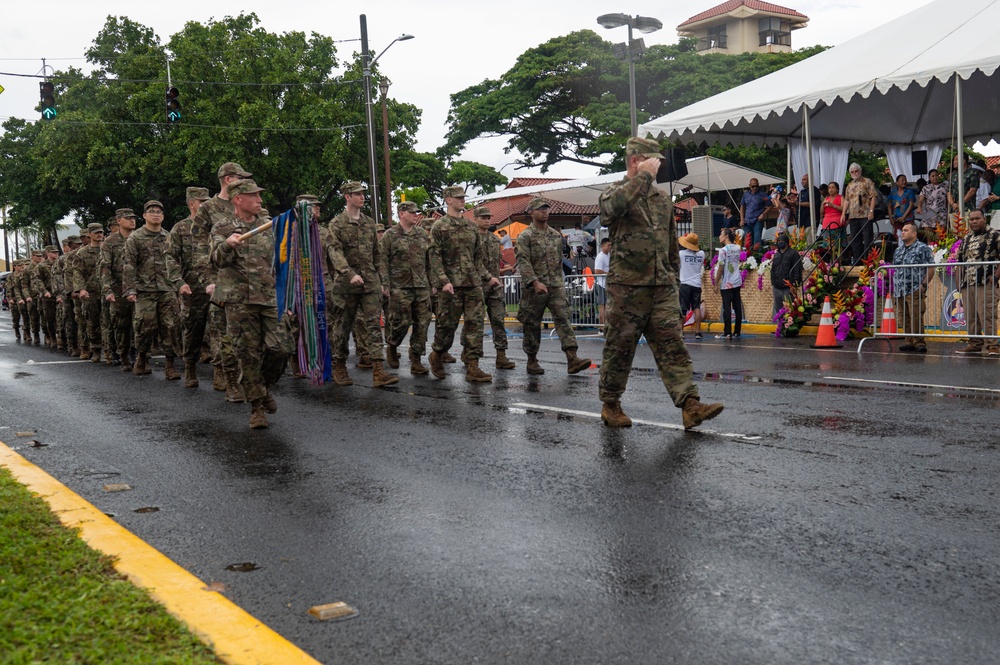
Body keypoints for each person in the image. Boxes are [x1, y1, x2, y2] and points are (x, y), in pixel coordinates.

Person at [597, 137, 723, 430]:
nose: (658, 166)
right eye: (652, 160)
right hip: (627, 287)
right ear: (634, 160)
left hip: (661, 286)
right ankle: (611, 404)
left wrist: (673, 279)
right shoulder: (615, 192)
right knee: (620, 347)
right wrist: (643, 176)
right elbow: (610, 211)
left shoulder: (661, 199)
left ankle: (690, 405)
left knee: (673, 345)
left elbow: (670, 245)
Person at [211, 179, 291, 429]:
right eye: (254, 196)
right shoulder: (223, 227)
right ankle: (257, 407)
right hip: (239, 301)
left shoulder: (270, 226)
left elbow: (283, 261)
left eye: (259, 196)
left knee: (281, 347)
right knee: (247, 354)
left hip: (269, 298)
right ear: (238, 199)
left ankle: (263, 386)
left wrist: (287, 296)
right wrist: (227, 245)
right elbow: (215, 259)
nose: (260, 200)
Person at [322, 181, 397, 388]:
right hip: (347, 284)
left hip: (370, 282)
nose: (362, 197)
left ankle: (378, 370)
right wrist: (348, 273)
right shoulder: (337, 224)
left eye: (363, 193)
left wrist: (382, 281)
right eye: (357, 194)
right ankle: (339, 365)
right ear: (347, 196)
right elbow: (334, 252)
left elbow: (377, 255)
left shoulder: (368, 223)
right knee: (343, 326)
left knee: (373, 324)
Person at [191, 162, 255, 401]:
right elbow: (198, 248)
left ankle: (248, 379)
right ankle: (229, 380)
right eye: (241, 177)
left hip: (250, 279)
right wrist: (207, 280)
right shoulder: (209, 209)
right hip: (221, 280)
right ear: (229, 180)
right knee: (224, 335)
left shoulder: (250, 202)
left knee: (249, 336)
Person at [428, 185, 498, 382]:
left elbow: (477, 259)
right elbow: (434, 258)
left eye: (463, 197)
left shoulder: (470, 227)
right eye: (458, 197)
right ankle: (437, 354)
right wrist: (443, 281)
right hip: (450, 286)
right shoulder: (439, 226)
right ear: (448, 200)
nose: (462, 200)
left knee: (475, 325)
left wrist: (487, 277)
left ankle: (473, 365)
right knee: (446, 327)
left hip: (472, 284)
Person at [514, 197, 592, 376]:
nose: (545, 212)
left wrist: (561, 282)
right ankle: (532, 360)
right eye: (540, 209)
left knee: (563, 319)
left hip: (555, 285)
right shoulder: (525, 236)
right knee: (532, 324)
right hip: (535, 287)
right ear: (532, 213)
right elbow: (523, 262)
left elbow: (558, 260)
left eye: (546, 209)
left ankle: (572, 358)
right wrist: (534, 282)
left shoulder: (556, 236)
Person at [124, 200, 189, 379]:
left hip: (167, 289)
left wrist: (179, 285)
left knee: (171, 327)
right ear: (144, 215)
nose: (156, 214)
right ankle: (142, 357)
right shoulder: (135, 237)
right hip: (144, 290)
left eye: (159, 211)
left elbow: (177, 262)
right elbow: (129, 265)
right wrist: (130, 290)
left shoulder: (169, 237)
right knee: (145, 326)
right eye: (151, 211)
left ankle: (170, 365)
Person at [380, 201, 433, 376]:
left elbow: (429, 261)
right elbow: (382, 261)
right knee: (401, 322)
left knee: (422, 323)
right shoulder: (390, 235)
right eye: (412, 212)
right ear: (401, 213)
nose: (415, 215)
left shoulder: (421, 235)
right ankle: (392, 345)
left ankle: (416, 358)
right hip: (399, 286)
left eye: (416, 212)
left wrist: (433, 283)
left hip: (421, 285)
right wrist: (385, 284)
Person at [170, 187, 213, 386]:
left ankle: (221, 373)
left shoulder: (217, 226)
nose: (206, 204)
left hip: (215, 286)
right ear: (191, 204)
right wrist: (179, 282)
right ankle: (190, 367)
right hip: (192, 288)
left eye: (207, 201)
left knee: (220, 331)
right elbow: (170, 257)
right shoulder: (180, 228)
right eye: (201, 201)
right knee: (193, 330)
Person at [473, 205, 515, 370]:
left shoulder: (494, 240)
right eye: (483, 217)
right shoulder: (472, 238)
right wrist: (488, 278)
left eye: (488, 217)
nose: (486, 220)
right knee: (475, 322)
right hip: (477, 285)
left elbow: (496, 263)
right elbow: (473, 263)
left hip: (494, 286)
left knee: (498, 319)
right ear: (475, 219)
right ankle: (470, 354)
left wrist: (497, 278)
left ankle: (501, 356)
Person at [954, 208, 1000, 356]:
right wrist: (958, 283)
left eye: (977, 218)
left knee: (986, 313)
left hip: (986, 282)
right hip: (968, 283)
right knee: (971, 315)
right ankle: (974, 343)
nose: (974, 221)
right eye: (971, 219)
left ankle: (992, 345)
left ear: (984, 219)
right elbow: (959, 262)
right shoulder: (966, 238)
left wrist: (996, 276)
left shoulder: (995, 235)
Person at [101, 208, 138, 370]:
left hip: (139, 288)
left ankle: (137, 354)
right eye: (128, 218)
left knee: (140, 324)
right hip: (118, 289)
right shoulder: (110, 242)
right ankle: (123, 354)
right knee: (121, 325)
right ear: (118, 221)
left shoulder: (139, 238)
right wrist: (107, 290)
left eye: (133, 218)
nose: (132, 220)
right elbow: (104, 268)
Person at [891, 221, 935, 353]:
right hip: (900, 289)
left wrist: (924, 284)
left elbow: (931, 267)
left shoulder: (922, 248)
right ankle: (909, 340)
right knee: (903, 316)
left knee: (916, 314)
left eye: (906, 230)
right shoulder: (898, 250)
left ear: (914, 233)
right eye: (902, 230)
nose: (902, 232)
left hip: (914, 287)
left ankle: (919, 341)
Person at [73, 224, 106, 360]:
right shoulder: (82, 253)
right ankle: (95, 348)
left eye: (101, 232)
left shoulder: (107, 249)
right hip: (90, 293)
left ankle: (109, 350)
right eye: (96, 233)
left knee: (108, 322)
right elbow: (77, 272)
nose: (99, 235)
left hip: (107, 290)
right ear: (89, 235)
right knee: (92, 322)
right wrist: (81, 289)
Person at [841, 163, 878, 263]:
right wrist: (843, 214)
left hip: (865, 214)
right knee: (855, 240)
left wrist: (871, 211)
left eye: (856, 171)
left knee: (867, 239)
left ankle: (868, 261)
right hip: (853, 216)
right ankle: (858, 261)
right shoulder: (849, 185)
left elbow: (873, 196)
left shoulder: (867, 181)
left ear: (860, 171)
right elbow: (846, 200)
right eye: (852, 172)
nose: (854, 173)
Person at [714, 227, 744, 340]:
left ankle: (727, 332)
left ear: (726, 236)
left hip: (727, 282)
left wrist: (716, 283)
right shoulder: (737, 247)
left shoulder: (723, 251)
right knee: (737, 307)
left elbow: (721, 267)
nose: (719, 236)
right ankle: (737, 331)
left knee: (727, 308)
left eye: (721, 234)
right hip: (737, 280)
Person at [31, 245, 60, 348]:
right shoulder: (41, 266)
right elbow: (38, 280)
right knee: (50, 318)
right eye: (53, 252)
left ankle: (62, 337)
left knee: (62, 318)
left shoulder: (60, 264)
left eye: (57, 252)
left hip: (60, 295)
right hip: (48, 296)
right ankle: (52, 337)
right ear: (47, 253)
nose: (56, 254)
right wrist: (44, 291)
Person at [677, 232, 705, 339]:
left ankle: (681, 332)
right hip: (696, 284)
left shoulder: (681, 254)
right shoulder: (701, 254)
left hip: (685, 284)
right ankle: (698, 332)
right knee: (696, 307)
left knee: (683, 309)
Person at [769, 232, 802, 316]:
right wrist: (773, 282)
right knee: (778, 310)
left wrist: (794, 284)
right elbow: (773, 270)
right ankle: (781, 327)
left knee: (790, 310)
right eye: (778, 241)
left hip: (788, 287)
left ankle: (789, 327)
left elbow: (797, 269)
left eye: (782, 241)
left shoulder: (793, 253)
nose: (780, 242)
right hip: (777, 287)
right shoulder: (776, 255)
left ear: (787, 242)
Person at [739, 178, 772, 246]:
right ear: (749, 186)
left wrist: (763, 214)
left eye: (756, 186)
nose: (755, 188)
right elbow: (742, 206)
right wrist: (742, 219)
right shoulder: (746, 194)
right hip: (747, 220)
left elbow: (770, 206)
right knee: (747, 241)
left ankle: (757, 256)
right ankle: (748, 255)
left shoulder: (763, 194)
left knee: (757, 240)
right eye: (753, 186)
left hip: (757, 220)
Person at [948, 152, 979, 217]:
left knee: (966, 226)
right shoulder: (953, 174)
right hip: (954, 209)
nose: (954, 162)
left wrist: (961, 203)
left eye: (956, 160)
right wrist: (953, 203)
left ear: (964, 161)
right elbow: (948, 191)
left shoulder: (972, 172)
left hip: (967, 209)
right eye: (954, 160)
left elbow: (972, 190)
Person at [593, 237, 611, 325]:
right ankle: (602, 325)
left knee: (607, 305)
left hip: (606, 284)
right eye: (608, 245)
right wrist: (608, 273)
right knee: (602, 305)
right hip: (601, 284)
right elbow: (597, 271)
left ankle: (606, 324)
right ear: (603, 246)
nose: (609, 247)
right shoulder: (600, 257)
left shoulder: (608, 256)